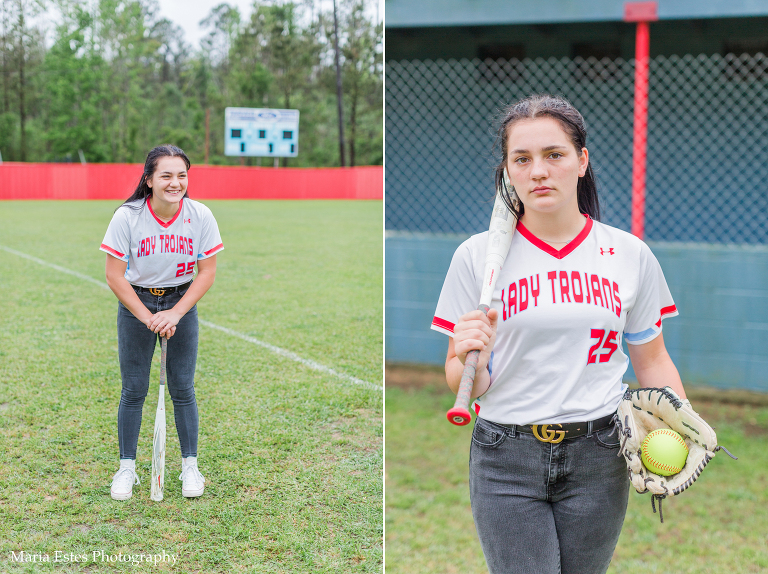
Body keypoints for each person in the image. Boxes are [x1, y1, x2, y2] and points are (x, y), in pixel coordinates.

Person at [431, 94, 688, 574]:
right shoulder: (475, 256)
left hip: (599, 453)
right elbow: (461, 379)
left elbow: (652, 361)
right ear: (508, 170)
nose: (538, 171)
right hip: (505, 453)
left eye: (554, 155)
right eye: (522, 159)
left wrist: (681, 421)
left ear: (581, 161)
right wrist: (471, 358)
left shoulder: (629, 254)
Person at [101, 144, 223, 501]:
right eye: (166, 175)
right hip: (136, 302)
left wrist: (175, 313)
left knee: (183, 388)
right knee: (134, 389)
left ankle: (190, 467)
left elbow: (208, 272)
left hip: (180, 301)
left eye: (181, 175)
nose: (175, 183)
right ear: (149, 179)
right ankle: (127, 468)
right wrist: (150, 317)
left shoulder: (200, 215)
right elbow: (114, 276)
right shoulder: (127, 216)